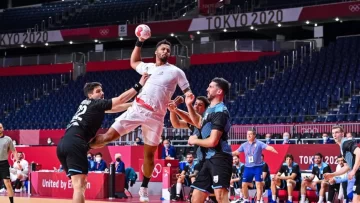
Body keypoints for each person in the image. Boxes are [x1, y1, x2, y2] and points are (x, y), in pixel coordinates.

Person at [88, 36, 192, 202]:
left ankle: (144, 187)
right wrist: (139, 41)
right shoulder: (148, 67)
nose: (166, 51)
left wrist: (185, 98)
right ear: (156, 52)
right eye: (163, 49)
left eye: (168, 50)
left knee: (149, 156)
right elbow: (134, 61)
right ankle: (82, 148)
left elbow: (187, 91)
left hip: (156, 117)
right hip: (137, 108)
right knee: (107, 137)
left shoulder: (176, 71)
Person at [56, 75, 148, 203]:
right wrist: (139, 85)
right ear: (90, 95)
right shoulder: (95, 104)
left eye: (101, 90)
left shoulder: (86, 104)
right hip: (75, 143)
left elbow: (115, 108)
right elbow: (120, 99)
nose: (102, 92)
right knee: (79, 187)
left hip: (63, 144)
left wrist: (134, 104)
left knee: (77, 185)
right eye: (98, 91)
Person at [187, 78, 233, 203]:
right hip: (209, 158)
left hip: (220, 157)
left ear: (219, 91)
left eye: (210, 86)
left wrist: (194, 141)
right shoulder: (209, 110)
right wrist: (188, 105)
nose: (207, 89)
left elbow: (213, 141)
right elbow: (198, 123)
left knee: (220, 196)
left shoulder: (221, 112)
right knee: (196, 197)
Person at [233, 129, 278, 203]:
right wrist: (227, 153)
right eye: (247, 134)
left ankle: (258, 201)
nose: (248, 136)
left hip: (257, 167)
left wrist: (272, 149)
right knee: (244, 184)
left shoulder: (259, 143)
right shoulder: (244, 145)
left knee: (258, 184)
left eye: (250, 134)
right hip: (248, 168)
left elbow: (267, 147)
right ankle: (246, 200)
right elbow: (236, 152)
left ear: (254, 135)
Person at [324, 125, 360, 203]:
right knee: (355, 200)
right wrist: (333, 174)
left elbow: (359, 152)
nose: (334, 135)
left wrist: (353, 170)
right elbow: (347, 167)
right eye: (333, 133)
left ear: (342, 134)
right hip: (358, 175)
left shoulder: (346, 143)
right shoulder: (342, 148)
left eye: (337, 132)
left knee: (356, 200)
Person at [0, 123, 17, 203]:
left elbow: (13, 151)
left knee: (8, 184)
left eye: (0, 127)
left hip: (4, 164)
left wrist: (18, 161)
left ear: (3, 128)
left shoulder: (8, 139)